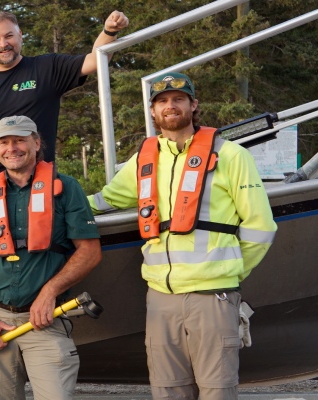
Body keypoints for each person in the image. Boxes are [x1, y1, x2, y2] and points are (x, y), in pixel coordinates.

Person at [89, 72, 277, 399]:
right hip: (161, 298)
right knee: (167, 392)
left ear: (193, 104)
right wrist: (55, 203)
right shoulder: (143, 161)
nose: (170, 106)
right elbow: (105, 200)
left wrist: (228, 272)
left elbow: (261, 227)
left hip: (213, 297)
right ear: (152, 111)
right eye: (162, 101)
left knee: (217, 391)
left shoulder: (231, 156)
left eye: (178, 99)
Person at [0, 116, 101, 399]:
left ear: (36, 143)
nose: (12, 148)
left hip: (46, 320)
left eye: (20, 140)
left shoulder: (66, 187)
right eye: (5, 142)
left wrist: (49, 292)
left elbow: (90, 251)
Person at [0, 10, 130, 208]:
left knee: (42, 237)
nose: (3, 44)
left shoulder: (48, 68)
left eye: (9, 36)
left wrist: (109, 31)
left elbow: (94, 61)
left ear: (20, 35)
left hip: (37, 181)